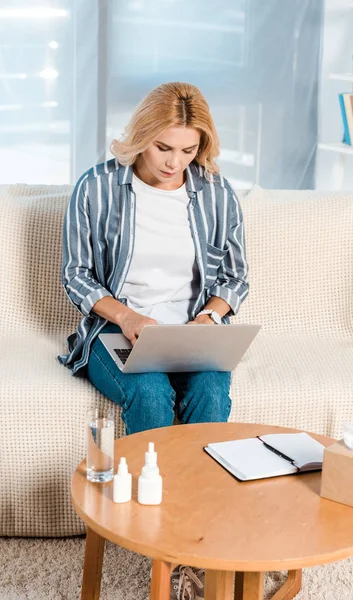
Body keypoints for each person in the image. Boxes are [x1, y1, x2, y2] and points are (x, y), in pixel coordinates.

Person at [58, 81, 249, 600]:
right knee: (149, 392)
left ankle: (198, 536)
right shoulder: (96, 186)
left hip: (192, 329)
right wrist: (126, 315)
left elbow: (236, 278)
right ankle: (164, 544)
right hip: (114, 330)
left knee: (211, 390)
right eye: (164, 147)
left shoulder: (214, 191)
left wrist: (211, 317)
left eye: (188, 150)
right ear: (141, 136)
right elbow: (75, 274)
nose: (174, 162)